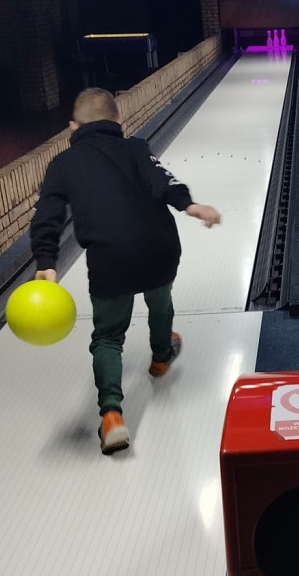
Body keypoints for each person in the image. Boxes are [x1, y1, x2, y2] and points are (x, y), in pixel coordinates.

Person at [30, 87, 220, 454]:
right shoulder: (135, 147)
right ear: (119, 120)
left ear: (73, 127)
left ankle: (112, 416)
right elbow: (161, 179)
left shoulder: (63, 164)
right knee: (160, 302)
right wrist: (189, 205)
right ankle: (161, 357)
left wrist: (46, 263)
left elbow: (47, 216)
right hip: (157, 247)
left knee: (108, 337)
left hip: (110, 258)